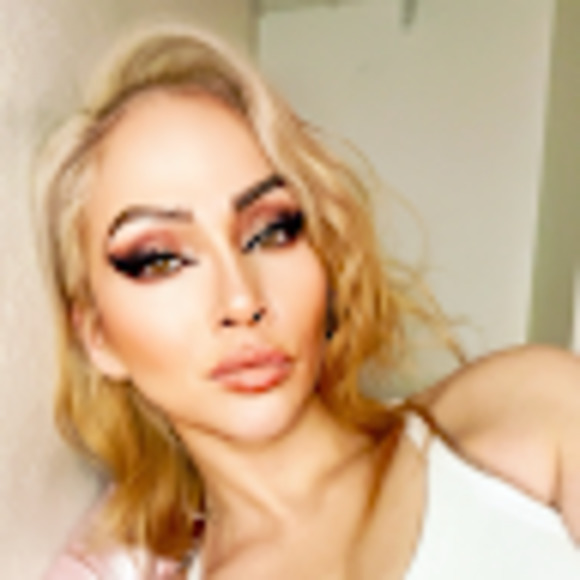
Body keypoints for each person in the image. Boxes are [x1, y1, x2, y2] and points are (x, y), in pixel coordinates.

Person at [38, 25, 580, 579]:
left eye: (271, 232)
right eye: (161, 259)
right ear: (97, 336)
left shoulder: (523, 414)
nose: (242, 299)